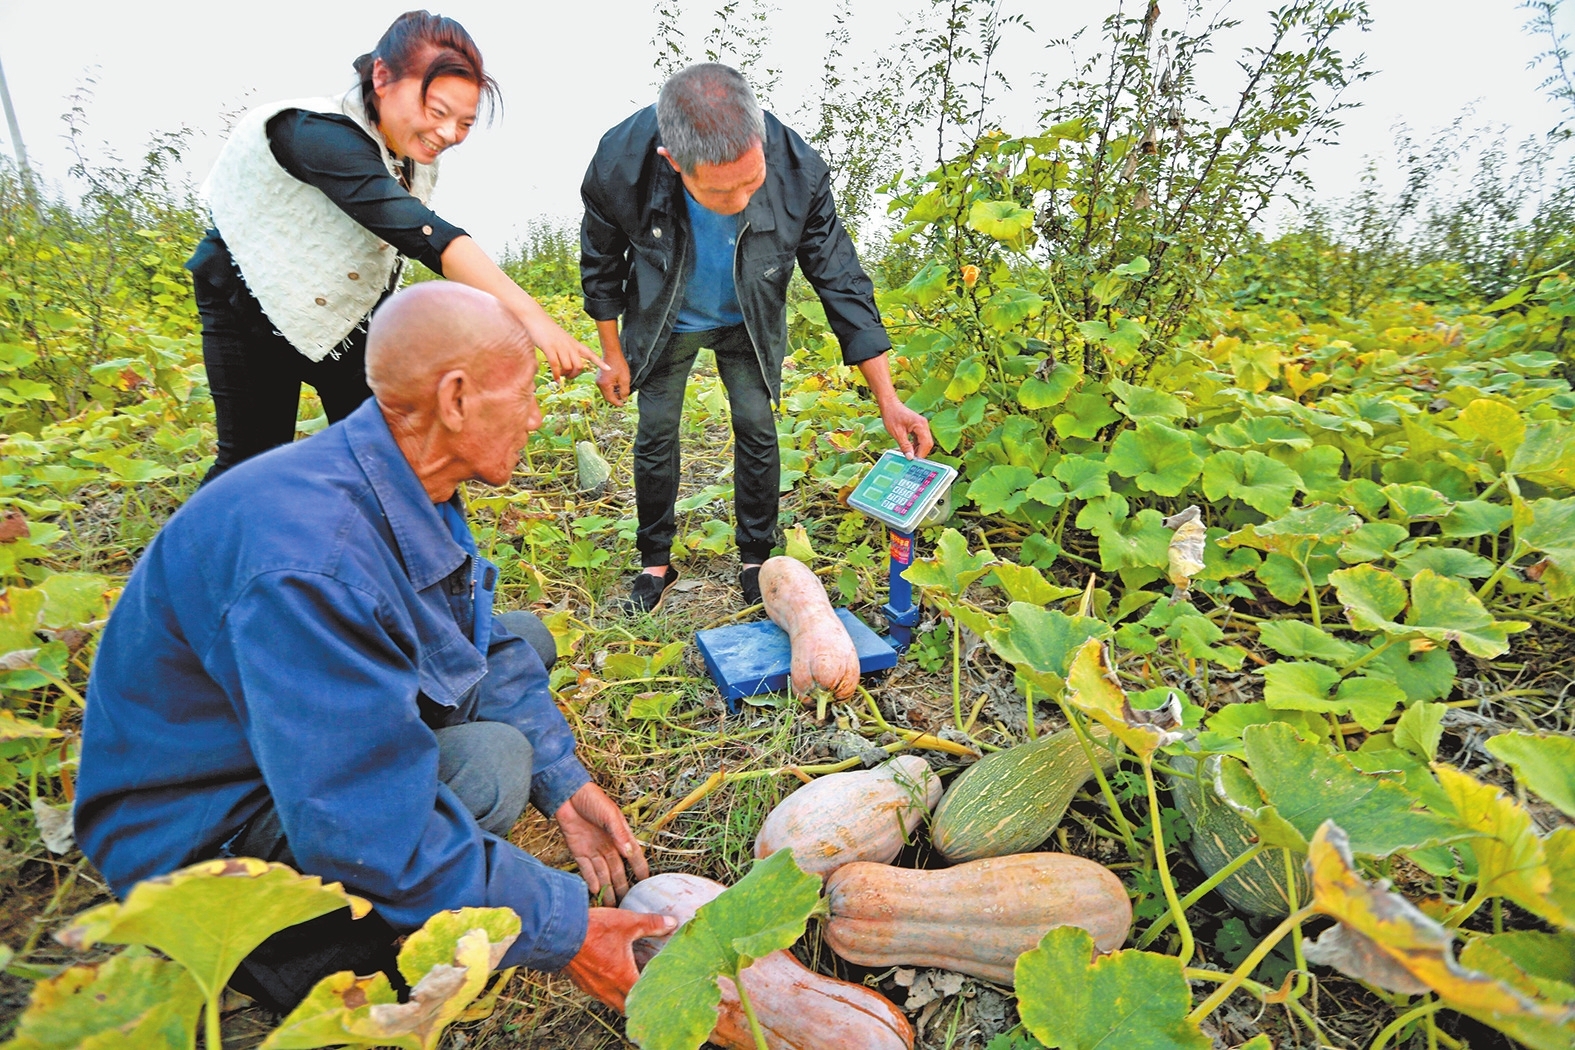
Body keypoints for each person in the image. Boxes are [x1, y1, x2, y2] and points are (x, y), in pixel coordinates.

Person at [74, 283, 668, 1015]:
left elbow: (475, 637)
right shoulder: (309, 560)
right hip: (195, 840)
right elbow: (362, 821)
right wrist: (561, 927)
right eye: (523, 396)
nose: (536, 418)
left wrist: (564, 784)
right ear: (455, 400)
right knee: (488, 764)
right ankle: (332, 967)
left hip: (265, 750)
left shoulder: (393, 477)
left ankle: (403, 899)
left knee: (526, 651)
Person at [189, 10, 603, 483]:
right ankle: (190, 556)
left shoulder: (404, 150)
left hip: (344, 322)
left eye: (464, 122)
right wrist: (536, 321)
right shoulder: (315, 133)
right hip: (248, 305)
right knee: (249, 466)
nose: (448, 134)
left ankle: (383, 552)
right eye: (437, 111)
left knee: (386, 459)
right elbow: (422, 232)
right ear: (382, 77)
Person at [580, 63, 933, 613]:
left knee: (756, 427)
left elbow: (840, 280)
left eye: (753, 179)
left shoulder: (798, 171)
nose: (744, 197)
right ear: (674, 164)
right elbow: (600, 265)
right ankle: (654, 560)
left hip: (748, 316)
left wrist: (888, 399)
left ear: (760, 140)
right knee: (654, 432)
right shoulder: (619, 164)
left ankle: (756, 556)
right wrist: (611, 352)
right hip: (664, 318)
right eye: (723, 191)